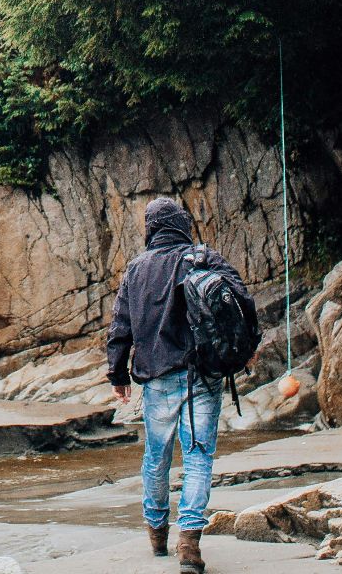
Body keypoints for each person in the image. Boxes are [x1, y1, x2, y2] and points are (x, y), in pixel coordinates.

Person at [106, 196, 248, 574]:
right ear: (182, 224)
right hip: (202, 375)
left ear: (151, 228)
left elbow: (121, 325)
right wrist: (243, 350)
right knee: (199, 457)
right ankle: (189, 543)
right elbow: (242, 301)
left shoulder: (136, 270)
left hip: (156, 378)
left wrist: (118, 375)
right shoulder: (203, 257)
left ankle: (157, 534)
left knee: (157, 458)